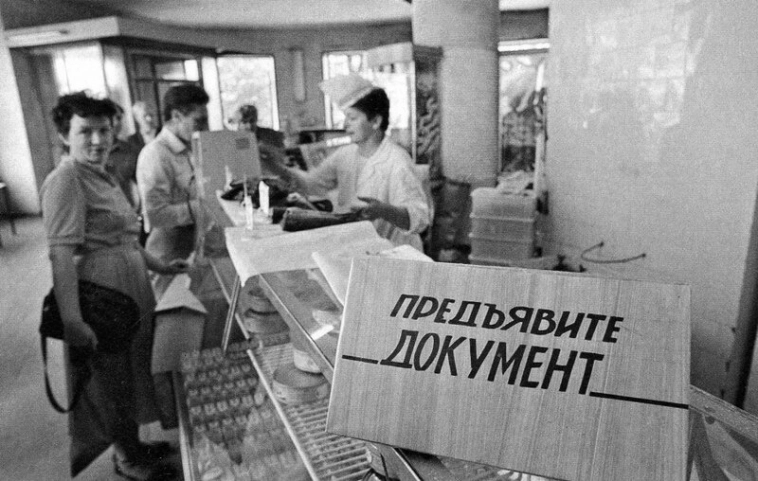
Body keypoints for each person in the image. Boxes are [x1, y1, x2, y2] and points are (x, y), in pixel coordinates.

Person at [40, 92, 189, 480]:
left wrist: (161, 265)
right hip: (101, 293)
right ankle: (127, 458)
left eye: (104, 130)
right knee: (111, 380)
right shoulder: (66, 179)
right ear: (64, 135)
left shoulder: (103, 175)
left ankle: (133, 443)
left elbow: (127, 239)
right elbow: (60, 255)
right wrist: (73, 321)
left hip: (128, 286)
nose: (97, 140)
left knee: (130, 370)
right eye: (85, 131)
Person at [260, 75, 430, 251]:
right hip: (360, 248)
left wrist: (383, 210)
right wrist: (273, 165)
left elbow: (420, 219)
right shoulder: (345, 154)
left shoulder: (397, 161)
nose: (345, 125)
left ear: (375, 121)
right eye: (345, 118)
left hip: (396, 252)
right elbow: (311, 184)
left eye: (352, 118)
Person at [136, 84, 210, 262]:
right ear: (176, 116)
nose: (205, 128)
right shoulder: (155, 154)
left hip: (195, 244)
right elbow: (156, 215)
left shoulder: (191, 149)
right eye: (199, 121)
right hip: (169, 252)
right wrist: (207, 206)